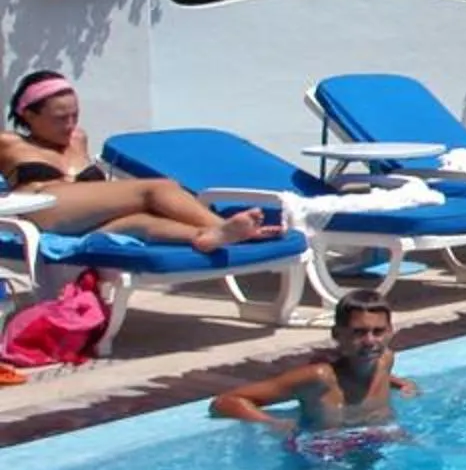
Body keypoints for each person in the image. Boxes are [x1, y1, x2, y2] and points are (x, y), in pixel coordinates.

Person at [0, 69, 283, 253]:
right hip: (44, 212)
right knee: (157, 188)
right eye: (60, 118)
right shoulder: (10, 143)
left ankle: (206, 235)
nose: (70, 124)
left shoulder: (78, 138)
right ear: (28, 114)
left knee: (142, 221)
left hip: (89, 227)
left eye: (75, 115)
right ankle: (222, 226)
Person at [209, 289, 416, 443]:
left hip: (368, 441)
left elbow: (370, 371)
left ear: (390, 331)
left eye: (378, 331)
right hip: (320, 452)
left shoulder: (385, 359)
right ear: (337, 334)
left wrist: (398, 382)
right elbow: (225, 401)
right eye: (358, 332)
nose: (370, 341)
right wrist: (276, 424)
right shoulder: (319, 378)